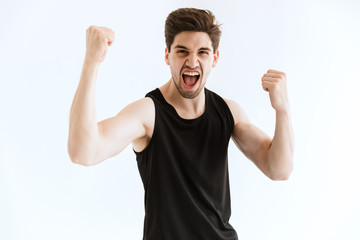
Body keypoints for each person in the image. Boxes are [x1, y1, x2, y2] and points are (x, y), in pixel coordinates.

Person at [67, 7, 294, 240]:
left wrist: (283, 110)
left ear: (214, 58)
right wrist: (91, 62)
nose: (192, 61)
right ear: (168, 56)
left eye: (203, 52)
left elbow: (278, 169)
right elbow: (83, 151)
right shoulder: (149, 113)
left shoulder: (228, 112)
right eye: (182, 51)